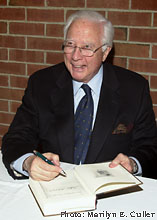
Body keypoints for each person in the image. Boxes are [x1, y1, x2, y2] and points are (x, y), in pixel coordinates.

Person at [1, 10, 157, 181]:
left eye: (87, 47)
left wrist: (133, 164)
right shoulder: (41, 83)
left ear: (105, 52)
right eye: (70, 45)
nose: (75, 56)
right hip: (54, 188)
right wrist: (28, 163)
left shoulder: (134, 88)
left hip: (112, 191)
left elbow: (150, 146)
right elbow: (16, 138)